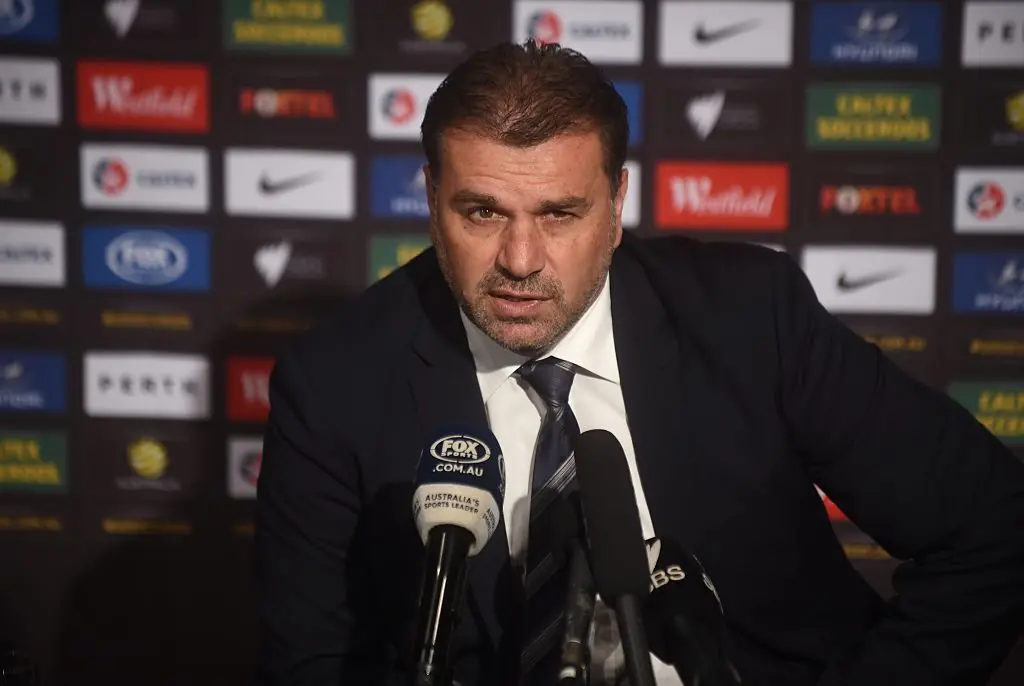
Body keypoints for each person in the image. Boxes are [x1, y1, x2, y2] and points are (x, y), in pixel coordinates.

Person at [254, 41, 1024, 685]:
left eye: (559, 214)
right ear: (431, 200)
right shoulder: (335, 383)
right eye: (482, 212)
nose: (520, 260)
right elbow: (314, 665)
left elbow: (995, 529)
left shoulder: (752, 318)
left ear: (617, 205)